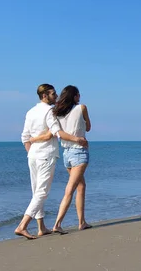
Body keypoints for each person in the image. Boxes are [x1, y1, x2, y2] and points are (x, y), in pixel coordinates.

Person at [14, 84, 87, 239]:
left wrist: (32, 150)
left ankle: (41, 228)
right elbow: (56, 133)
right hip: (45, 155)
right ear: (45, 96)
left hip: (32, 155)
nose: (56, 97)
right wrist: (77, 139)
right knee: (42, 192)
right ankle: (23, 225)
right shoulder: (49, 111)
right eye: (53, 94)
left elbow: (24, 137)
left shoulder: (30, 112)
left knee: (36, 191)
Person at [51, 85, 92, 234]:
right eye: (78, 95)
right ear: (74, 97)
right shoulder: (82, 108)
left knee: (81, 186)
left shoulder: (58, 113)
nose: (80, 97)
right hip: (79, 152)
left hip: (66, 154)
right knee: (70, 189)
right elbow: (88, 128)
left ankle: (82, 222)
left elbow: (59, 133)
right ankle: (57, 224)